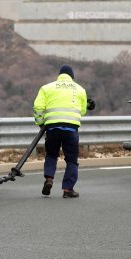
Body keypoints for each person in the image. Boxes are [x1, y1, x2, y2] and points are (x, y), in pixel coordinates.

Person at [32, 64, 88, 199]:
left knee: (51, 154)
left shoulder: (47, 88)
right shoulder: (80, 89)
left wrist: (40, 123)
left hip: (52, 128)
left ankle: (49, 179)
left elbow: (38, 107)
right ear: (72, 77)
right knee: (72, 160)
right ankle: (68, 189)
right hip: (71, 129)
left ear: (59, 76)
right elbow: (83, 111)